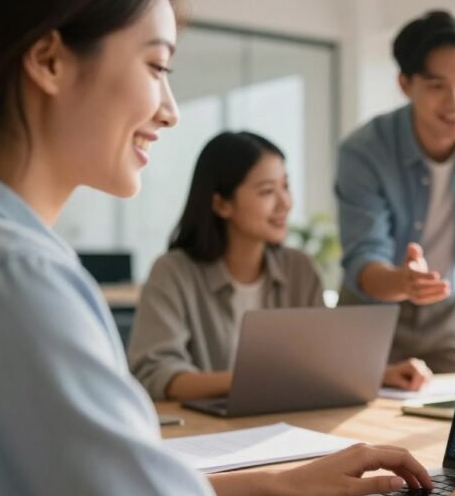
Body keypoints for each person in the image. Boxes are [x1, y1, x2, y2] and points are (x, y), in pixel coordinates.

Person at [0, 0, 455, 496]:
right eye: (157, 66)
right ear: (50, 61)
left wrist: (281, 479)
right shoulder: (20, 279)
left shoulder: (16, 261)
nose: (170, 111)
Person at [128, 131, 432, 400]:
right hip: (203, 434)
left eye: (285, 186)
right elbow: (155, 374)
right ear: (222, 204)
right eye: (267, 191)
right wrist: (255, 382)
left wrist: (382, 373)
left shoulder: (299, 269)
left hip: (283, 427)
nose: (285, 203)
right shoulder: (173, 272)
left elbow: (321, 362)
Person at [335, 10, 455, 374]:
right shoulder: (364, 150)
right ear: (406, 84)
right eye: (437, 85)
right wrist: (404, 283)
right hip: (372, 308)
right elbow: (364, 258)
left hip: (447, 311)